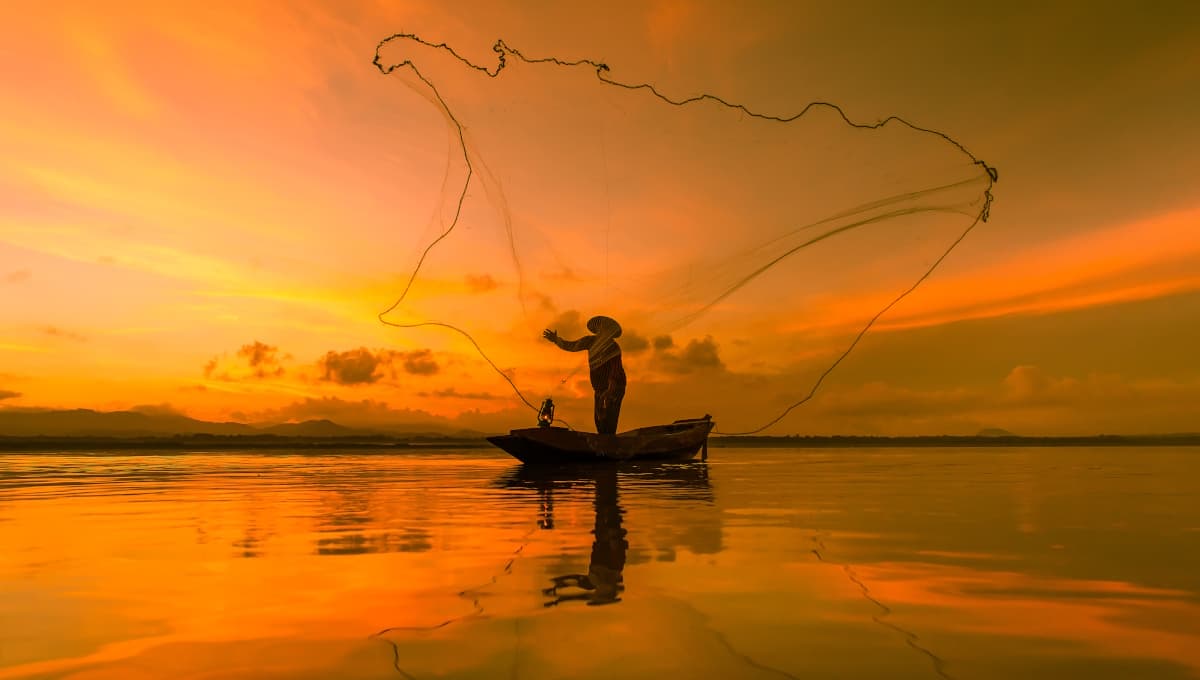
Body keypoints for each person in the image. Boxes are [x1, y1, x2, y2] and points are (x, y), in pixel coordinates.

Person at [543, 315, 626, 435]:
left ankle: (608, 444)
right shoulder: (590, 341)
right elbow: (571, 346)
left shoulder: (613, 347)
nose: (602, 331)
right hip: (599, 388)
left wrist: (608, 392)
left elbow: (616, 371)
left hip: (615, 387)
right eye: (600, 328)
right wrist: (556, 340)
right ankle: (603, 444)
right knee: (599, 420)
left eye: (605, 329)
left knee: (609, 420)